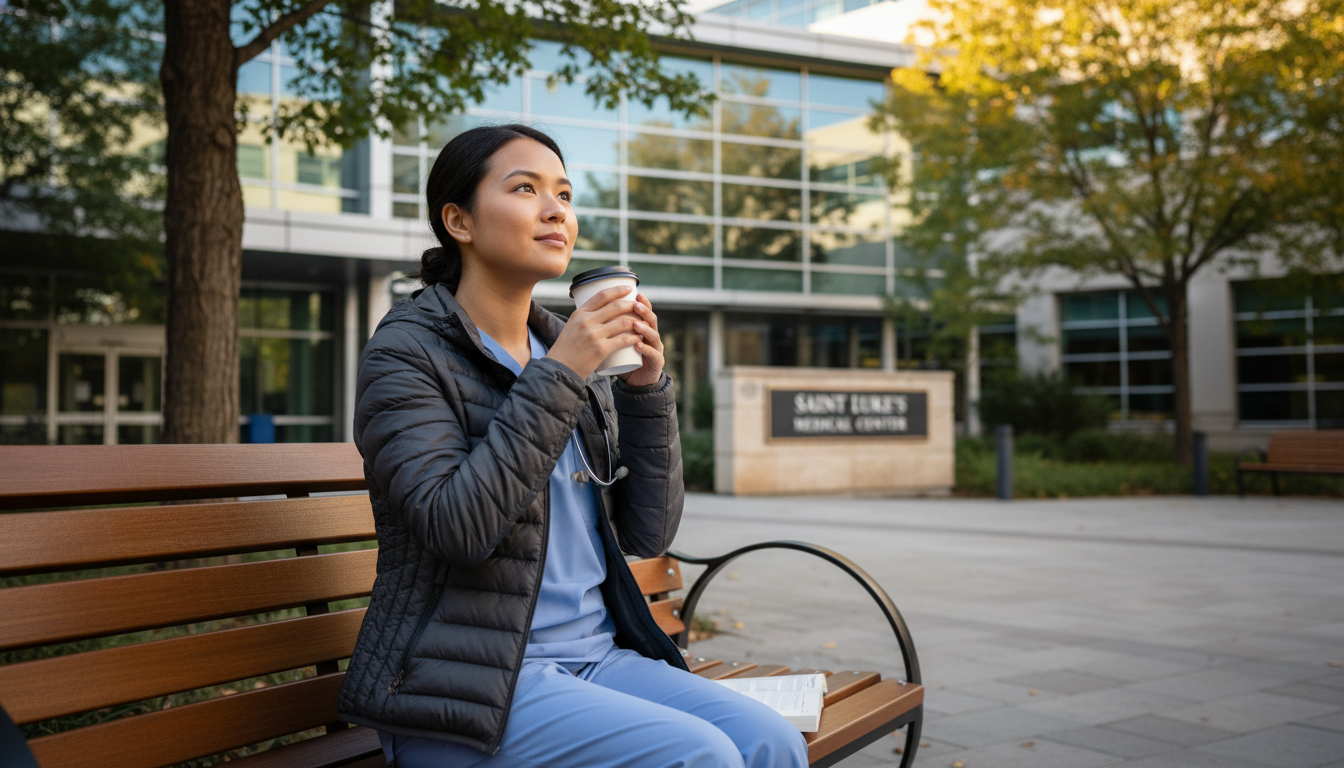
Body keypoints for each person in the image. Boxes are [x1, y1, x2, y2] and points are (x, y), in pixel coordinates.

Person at [336, 123, 809, 768]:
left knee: (770, 741)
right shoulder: (407, 354)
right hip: (465, 691)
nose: (556, 209)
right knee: (701, 757)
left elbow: (648, 531)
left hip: (597, 657)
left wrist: (645, 389)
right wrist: (562, 372)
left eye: (563, 192)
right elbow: (456, 529)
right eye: (525, 188)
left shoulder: (563, 347)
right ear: (459, 221)